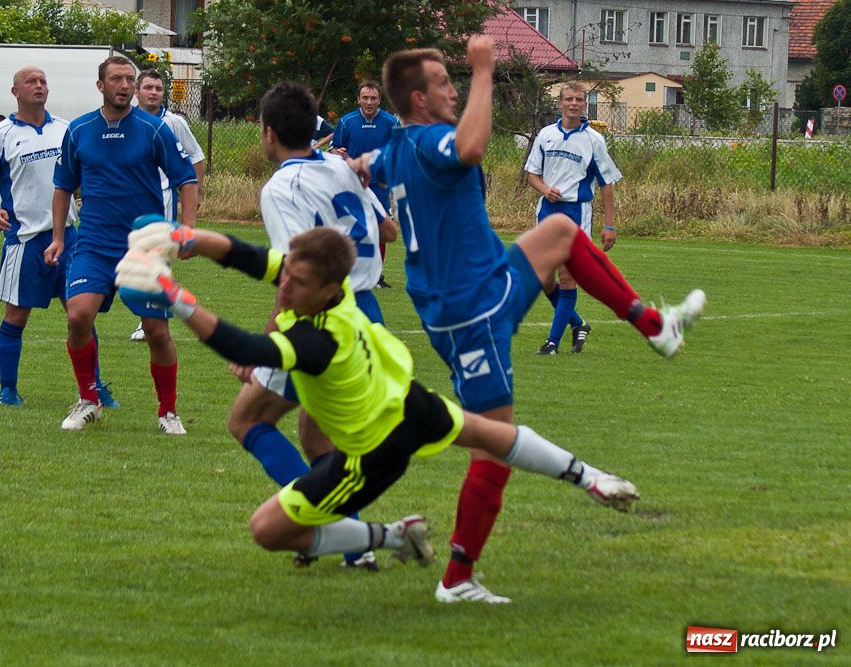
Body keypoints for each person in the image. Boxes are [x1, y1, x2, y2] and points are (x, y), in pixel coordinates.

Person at [347, 36, 705, 603]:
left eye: (456, 79)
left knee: (562, 232)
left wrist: (356, 164)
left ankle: (656, 327)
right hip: (470, 312)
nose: (454, 87)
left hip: (478, 288)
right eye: (443, 82)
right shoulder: (433, 138)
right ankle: (458, 580)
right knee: (496, 442)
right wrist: (485, 69)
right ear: (417, 98)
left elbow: (369, 165)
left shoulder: (395, 146)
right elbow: (468, 146)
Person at [115, 225, 643, 596]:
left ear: (324, 290)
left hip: (374, 451)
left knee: (267, 531)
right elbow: (251, 257)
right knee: (487, 433)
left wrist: (174, 295)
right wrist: (186, 239)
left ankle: (391, 536)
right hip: (406, 400)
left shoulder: (318, 339)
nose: (283, 286)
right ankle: (591, 478)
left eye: (295, 284)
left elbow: (248, 351)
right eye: (286, 276)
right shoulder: (329, 284)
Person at [226, 81, 397, 570]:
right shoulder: (343, 168)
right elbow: (387, 230)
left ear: (267, 133)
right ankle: (356, 546)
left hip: (325, 319)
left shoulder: (282, 187)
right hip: (368, 314)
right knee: (318, 438)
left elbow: (296, 274)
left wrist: (263, 343)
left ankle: (334, 530)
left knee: (247, 421)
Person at [45, 55, 197, 434]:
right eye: (117, 79)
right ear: (101, 86)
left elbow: (187, 180)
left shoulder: (154, 128)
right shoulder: (79, 130)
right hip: (94, 243)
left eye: (130, 79)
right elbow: (63, 186)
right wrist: (59, 238)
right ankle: (89, 400)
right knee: (78, 316)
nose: (125, 85)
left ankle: (168, 412)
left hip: (143, 246)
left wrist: (188, 229)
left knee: (157, 331)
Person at [0, 66, 117, 409]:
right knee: (16, 316)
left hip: (70, 239)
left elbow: (84, 174)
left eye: (43, 82)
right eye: (31, 82)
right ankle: (8, 389)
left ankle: (93, 387)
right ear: (15, 91)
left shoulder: (66, 129)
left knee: (80, 314)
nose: (39, 86)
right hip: (25, 240)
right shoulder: (1, 133)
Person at [525, 81, 621, 355]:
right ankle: (578, 324)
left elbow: (607, 183)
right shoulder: (545, 135)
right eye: (569, 99)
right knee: (542, 277)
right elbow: (532, 173)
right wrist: (545, 189)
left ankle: (551, 343)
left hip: (576, 214)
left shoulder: (594, 140)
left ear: (584, 104)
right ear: (560, 103)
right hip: (546, 212)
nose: (574, 104)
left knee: (567, 277)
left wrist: (609, 225)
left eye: (580, 99)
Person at [129, 69, 207, 343]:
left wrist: (195, 194)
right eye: (148, 87)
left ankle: (150, 319)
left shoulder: (173, 123)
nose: (153, 93)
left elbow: (196, 157)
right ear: (137, 92)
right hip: (128, 201)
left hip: (162, 198)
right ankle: (154, 313)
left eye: (158, 88)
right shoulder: (126, 122)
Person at [330, 81, 400, 288]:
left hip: (378, 185)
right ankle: (346, 271)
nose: (369, 102)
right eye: (365, 98)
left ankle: (376, 276)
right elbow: (335, 149)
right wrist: (335, 152)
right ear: (358, 99)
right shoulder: (346, 121)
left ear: (379, 100)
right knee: (347, 227)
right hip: (350, 184)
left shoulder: (390, 122)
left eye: (373, 98)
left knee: (380, 228)